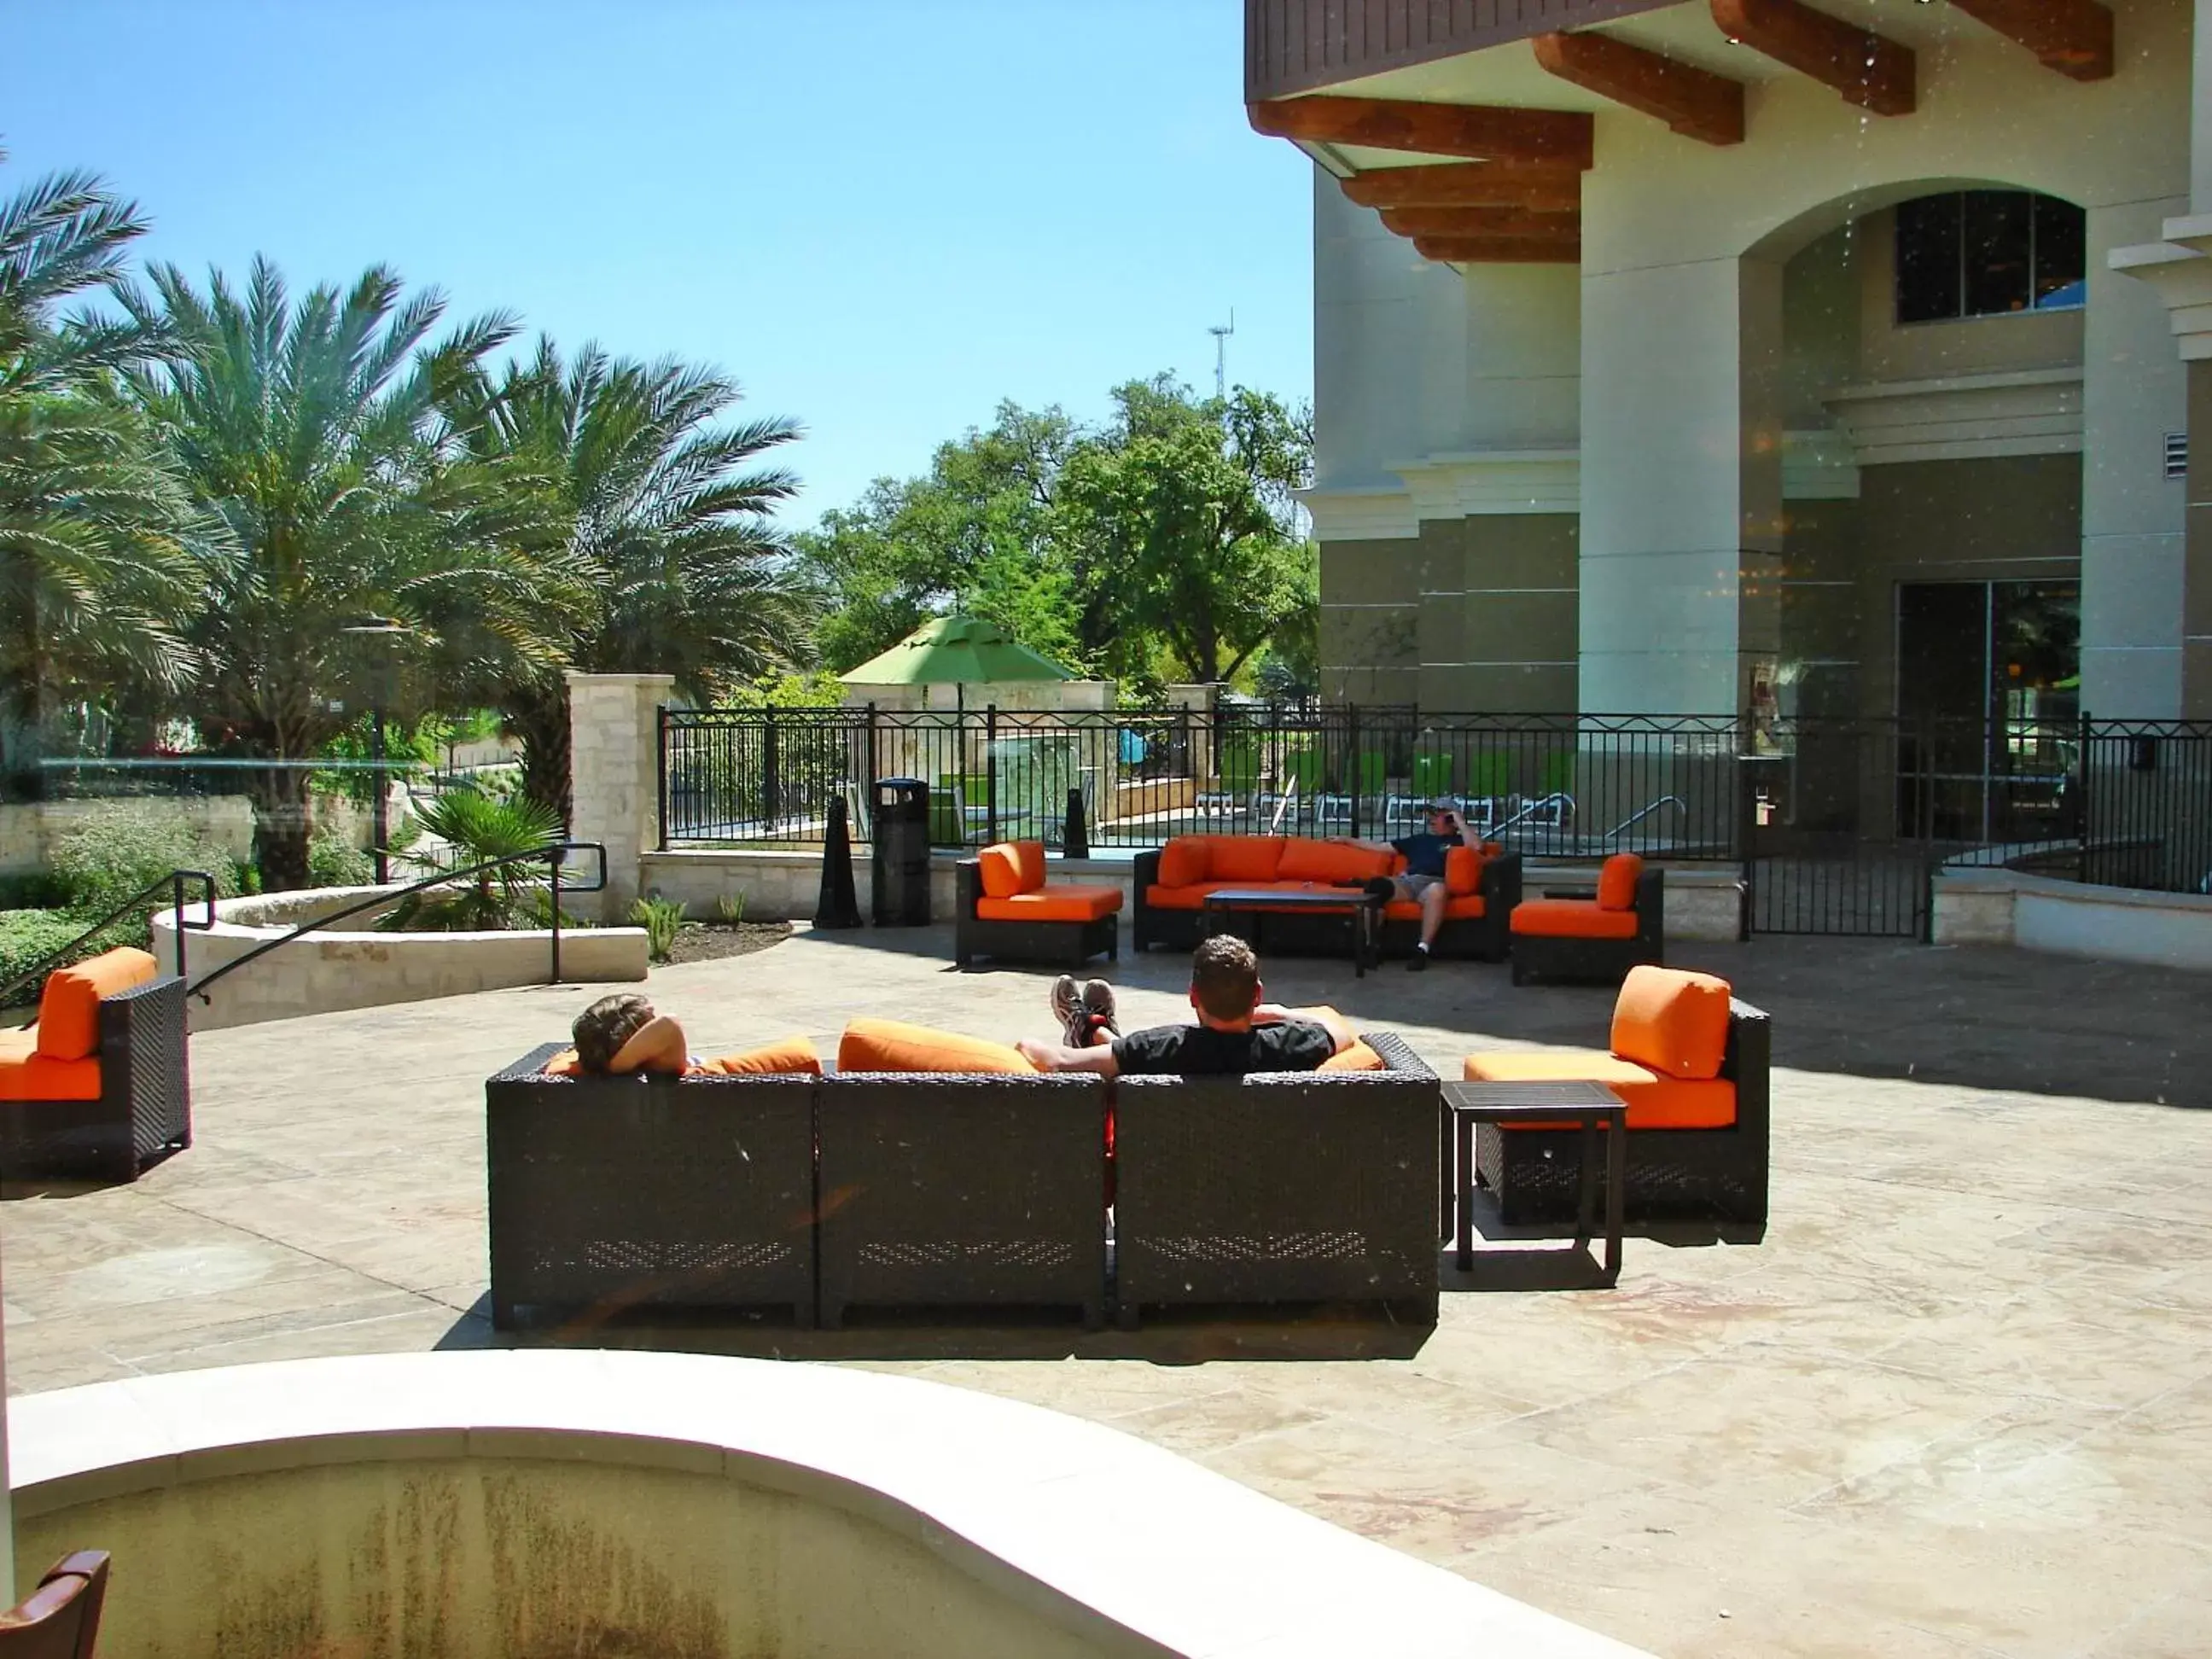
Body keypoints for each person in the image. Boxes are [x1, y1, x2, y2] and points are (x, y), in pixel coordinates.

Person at [1016, 934, 1355, 1077]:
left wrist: (1023, 1046)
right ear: (1257, 996)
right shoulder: (1292, 1045)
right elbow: (1343, 1032)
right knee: (1128, 1051)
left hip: (1162, 1197)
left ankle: (1086, 1026)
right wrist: (1280, 1013)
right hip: (1267, 1197)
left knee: (1125, 1053)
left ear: (1193, 996)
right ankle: (1093, 1026)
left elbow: (1056, 1061)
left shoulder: (1163, 1047)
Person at [1344, 803, 1465, 971]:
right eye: (1431, 815)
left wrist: (1459, 821)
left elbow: (1478, 847)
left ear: (1451, 819)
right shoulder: (1420, 839)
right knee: (1376, 887)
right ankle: (1372, 946)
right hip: (1408, 882)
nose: (1431, 819)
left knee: (1437, 889)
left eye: (1437, 815)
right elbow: (1380, 847)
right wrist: (1346, 840)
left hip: (1432, 884)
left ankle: (1422, 950)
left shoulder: (1459, 842)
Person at [569, 992, 690, 1074]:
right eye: (651, 1020)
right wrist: (613, 1068)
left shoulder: (575, 1066)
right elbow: (668, 1023)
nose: (654, 1021)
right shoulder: (662, 1065)